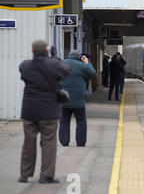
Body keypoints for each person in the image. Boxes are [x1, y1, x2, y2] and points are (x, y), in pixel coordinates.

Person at [18, 40, 71, 184]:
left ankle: (24, 174)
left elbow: (24, 74)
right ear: (47, 50)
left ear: (32, 50)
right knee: (48, 142)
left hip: (29, 110)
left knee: (28, 142)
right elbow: (66, 70)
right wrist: (54, 58)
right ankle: (46, 175)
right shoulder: (53, 64)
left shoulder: (25, 65)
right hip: (48, 110)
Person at [59, 51, 96, 147]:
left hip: (64, 98)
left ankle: (64, 141)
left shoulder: (61, 65)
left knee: (64, 120)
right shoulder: (82, 66)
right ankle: (80, 142)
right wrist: (87, 63)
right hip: (79, 99)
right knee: (81, 120)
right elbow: (93, 74)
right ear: (79, 57)